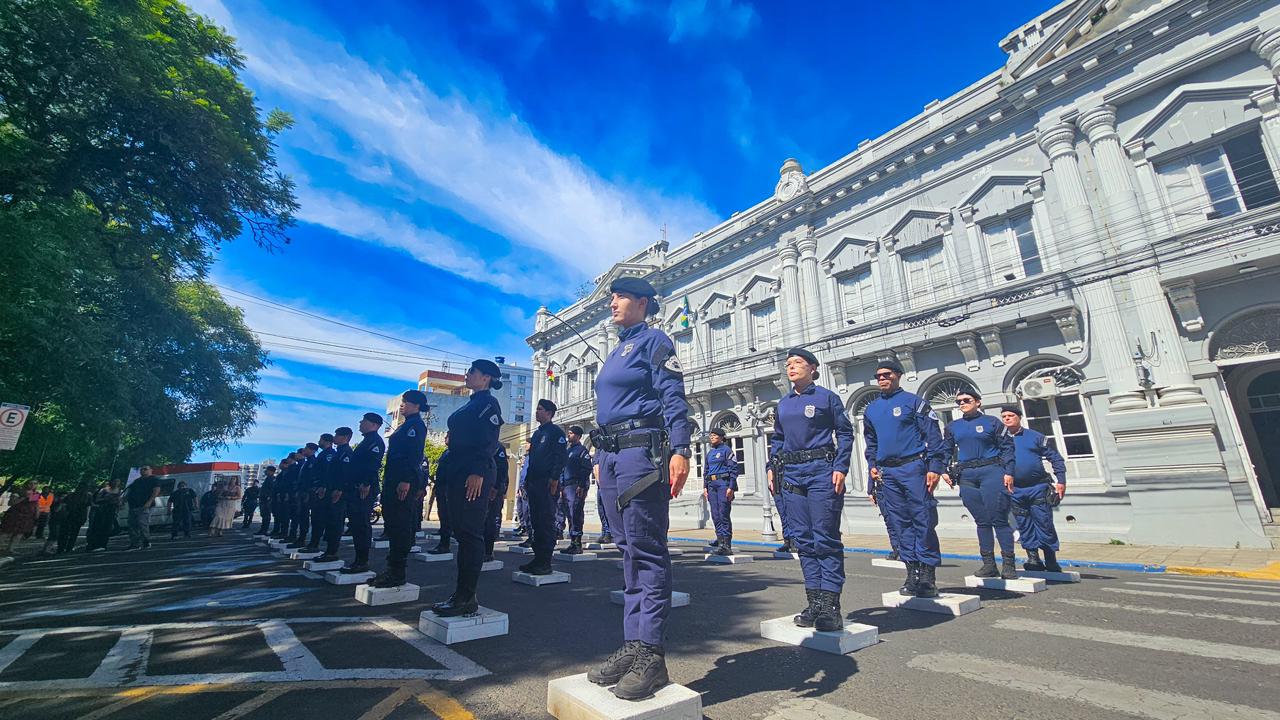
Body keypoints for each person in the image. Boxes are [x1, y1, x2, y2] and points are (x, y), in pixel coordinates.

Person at [586, 277, 691, 701]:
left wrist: (681, 448)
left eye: (620, 297)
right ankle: (634, 645)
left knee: (647, 551)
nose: (612, 303)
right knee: (627, 550)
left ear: (642, 303)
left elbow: (673, 395)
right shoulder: (616, 350)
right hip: (611, 456)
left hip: (640, 455)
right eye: (611, 297)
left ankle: (652, 654)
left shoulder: (654, 341)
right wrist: (598, 458)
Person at [766, 349, 853, 630]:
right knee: (803, 540)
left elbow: (845, 432)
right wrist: (771, 466)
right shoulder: (784, 403)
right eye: (788, 364)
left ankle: (830, 606)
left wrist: (840, 466)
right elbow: (777, 438)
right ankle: (814, 602)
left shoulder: (826, 397)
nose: (791, 367)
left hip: (820, 471)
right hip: (791, 474)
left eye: (798, 363)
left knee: (825, 538)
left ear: (813, 368)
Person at [863, 360, 946, 598]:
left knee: (923, 519)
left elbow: (933, 435)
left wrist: (935, 467)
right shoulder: (872, 409)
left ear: (898, 375)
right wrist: (873, 465)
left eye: (887, 374)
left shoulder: (914, 402)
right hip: (888, 472)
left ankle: (928, 575)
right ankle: (912, 573)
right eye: (878, 376)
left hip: (913, 467)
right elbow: (872, 442)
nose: (882, 379)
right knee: (900, 524)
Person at [429, 360, 504, 615]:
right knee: (461, 532)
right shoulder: (473, 402)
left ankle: (466, 597)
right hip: (458, 470)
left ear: (485, 378)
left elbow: (489, 441)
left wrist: (478, 471)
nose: (467, 374)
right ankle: (460, 593)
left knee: (471, 534)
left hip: (475, 472)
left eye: (472, 372)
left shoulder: (488, 404)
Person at [939, 388, 1017, 579]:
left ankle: (1009, 564)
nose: (962, 404)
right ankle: (989, 564)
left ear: (978, 402)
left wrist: (1009, 472)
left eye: (966, 400)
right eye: (959, 402)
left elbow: (1007, 448)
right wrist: (942, 470)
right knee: (981, 521)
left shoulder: (992, 422)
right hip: (967, 475)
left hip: (991, 471)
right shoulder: (952, 426)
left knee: (999, 519)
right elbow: (946, 450)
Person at [999, 405, 1068, 573]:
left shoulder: (1035, 437)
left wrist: (1061, 480)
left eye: (1011, 415)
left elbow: (1056, 458)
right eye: (1004, 416)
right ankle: (1033, 558)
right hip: (1014, 490)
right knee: (1024, 524)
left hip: (1037, 487)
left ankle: (1051, 559)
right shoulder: (998, 440)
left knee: (1044, 522)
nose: (1007, 418)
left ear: (1019, 417)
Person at [370, 390, 427, 588]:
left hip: (402, 481)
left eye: (407, 402)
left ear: (417, 406)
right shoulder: (405, 425)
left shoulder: (416, 425)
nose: (402, 405)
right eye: (402, 402)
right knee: (393, 525)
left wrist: (406, 480)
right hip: (392, 479)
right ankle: (391, 569)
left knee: (400, 525)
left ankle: (397, 572)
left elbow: (414, 455)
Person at [522, 399, 567, 575]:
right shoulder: (537, 434)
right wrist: (527, 480)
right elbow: (532, 460)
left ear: (549, 413)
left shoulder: (556, 432)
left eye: (540, 409)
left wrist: (555, 478)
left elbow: (560, 457)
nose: (536, 412)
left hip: (547, 483)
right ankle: (537, 558)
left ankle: (546, 562)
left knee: (546, 521)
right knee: (536, 521)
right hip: (534, 482)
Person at [339, 414, 384, 575]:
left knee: (362, 525)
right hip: (356, 488)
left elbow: (373, 464)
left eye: (363, 421)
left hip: (364, 489)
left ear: (373, 424)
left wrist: (366, 483)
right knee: (356, 524)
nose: (360, 423)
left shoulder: (375, 441)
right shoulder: (366, 441)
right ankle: (358, 560)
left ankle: (362, 561)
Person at [317, 427, 356, 562]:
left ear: (345, 437)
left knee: (335, 521)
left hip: (338, 493)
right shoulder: (338, 452)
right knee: (330, 521)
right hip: (331, 490)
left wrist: (339, 489)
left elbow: (345, 474)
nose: (335, 437)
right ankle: (329, 550)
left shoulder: (346, 453)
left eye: (337, 435)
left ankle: (332, 551)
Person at [557, 424, 593, 554]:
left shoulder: (582, 450)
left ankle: (577, 543)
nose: (568, 435)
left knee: (575, 513)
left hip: (575, 486)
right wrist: (561, 486)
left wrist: (582, 485)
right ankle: (572, 542)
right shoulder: (567, 451)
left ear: (578, 436)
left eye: (571, 433)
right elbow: (562, 469)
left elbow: (586, 468)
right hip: (565, 486)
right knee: (568, 513)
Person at [703, 427, 739, 557]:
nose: (711, 437)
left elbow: (734, 469)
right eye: (710, 435)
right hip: (712, 485)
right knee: (715, 514)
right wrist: (705, 487)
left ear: (721, 437)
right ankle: (720, 540)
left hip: (723, 484)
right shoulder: (710, 453)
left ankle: (726, 544)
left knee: (723, 513)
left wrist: (731, 487)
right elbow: (706, 471)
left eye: (714, 435)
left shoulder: (726, 451)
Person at [305, 434, 337, 551]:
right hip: (316, 488)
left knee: (319, 518)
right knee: (315, 517)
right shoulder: (323, 454)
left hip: (322, 490)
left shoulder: (329, 454)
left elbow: (327, 472)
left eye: (321, 440)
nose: (319, 442)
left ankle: (315, 544)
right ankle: (313, 543)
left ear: (326, 441)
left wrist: (323, 486)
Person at [426, 434, 454, 556]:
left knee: (447, 518)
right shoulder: (446, 452)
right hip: (441, 487)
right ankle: (443, 543)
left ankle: (445, 544)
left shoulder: (455, 453)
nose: (445, 437)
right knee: (443, 516)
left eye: (448, 436)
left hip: (449, 488)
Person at [287, 443, 318, 548]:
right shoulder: (306, 463)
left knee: (305, 516)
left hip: (308, 492)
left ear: (312, 450)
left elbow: (312, 478)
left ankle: (304, 538)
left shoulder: (313, 462)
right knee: (300, 515)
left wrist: (309, 491)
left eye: (306, 448)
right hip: (301, 492)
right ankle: (300, 537)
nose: (304, 450)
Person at [483, 446, 510, 562]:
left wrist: (496, 487)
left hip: (493, 489)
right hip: (482, 488)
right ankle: (479, 550)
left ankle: (488, 552)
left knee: (490, 520)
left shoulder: (498, 448)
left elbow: (502, 469)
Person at [125, 466, 161, 550]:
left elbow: (156, 490)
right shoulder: (136, 481)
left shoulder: (153, 479)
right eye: (141, 469)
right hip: (133, 505)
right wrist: (123, 500)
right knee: (132, 525)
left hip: (144, 505)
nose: (143, 470)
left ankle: (146, 541)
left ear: (151, 470)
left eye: (145, 469)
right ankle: (135, 543)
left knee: (142, 524)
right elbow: (130, 491)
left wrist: (149, 501)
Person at [1, 482, 39, 553]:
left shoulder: (35, 494)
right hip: (15, 514)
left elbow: (35, 504)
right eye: (31, 483)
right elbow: (11, 503)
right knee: (6, 531)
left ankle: (10, 549)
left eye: (35, 483)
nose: (32, 485)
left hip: (27, 515)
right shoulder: (19, 491)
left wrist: (37, 514)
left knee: (19, 533)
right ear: (26, 484)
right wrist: (23, 497)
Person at [85, 480, 121, 551]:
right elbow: (97, 500)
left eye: (117, 482)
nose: (115, 483)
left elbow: (119, 501)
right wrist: (106, 499)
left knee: (107, 527)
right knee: (98, 527)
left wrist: (118, 504)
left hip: (111, 511)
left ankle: (103, 544)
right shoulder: (104, 490)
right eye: (114, 481)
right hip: (102, 510)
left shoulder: (118, 491)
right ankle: (94, 545)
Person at [58, 485, 93, 553]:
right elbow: (91, 505)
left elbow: (64, 504)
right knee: (74, 534)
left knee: (65, 533)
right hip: (78, 517)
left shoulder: (71, 495)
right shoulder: (87, 496)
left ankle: (61, 548)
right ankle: (69, 548)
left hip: (69, 516)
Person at [592, 448, 614, 545]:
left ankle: (610, 533)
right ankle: (605, 532)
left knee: (610, 510)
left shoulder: (608, 448)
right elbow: (595, 465)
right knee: (602, 510)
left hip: (609, 484)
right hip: (600, 485)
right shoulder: (599, 450)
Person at [256, 466, 276, 536]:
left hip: (266, 500)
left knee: (266, 516)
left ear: (271, 471)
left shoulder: (271, 479)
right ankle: (262, 529)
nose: (265, 471)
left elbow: (272, 490)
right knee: (264, 515)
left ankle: (264, 530)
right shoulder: (268, 479)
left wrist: (268, 497)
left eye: (267, 470)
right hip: (263, 499)